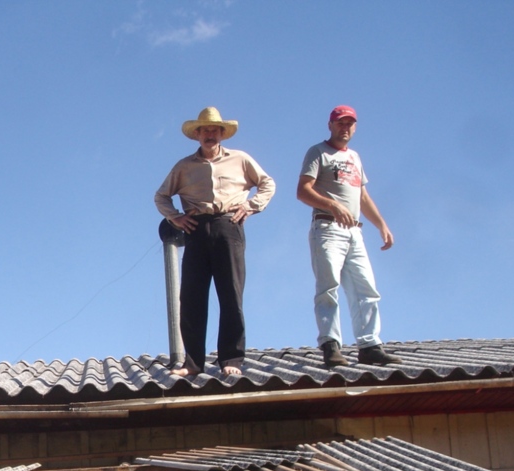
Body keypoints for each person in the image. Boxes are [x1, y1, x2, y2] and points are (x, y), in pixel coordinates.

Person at [154, 106, 275, 377]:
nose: (210, 134)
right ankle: (192, 364)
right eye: (205, 130)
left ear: (222, 133)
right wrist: (176, 218)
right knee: (191, 297)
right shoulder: (184, 166)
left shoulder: (241, 159)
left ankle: (231, 358)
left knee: (231, 294)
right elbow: (161, 196)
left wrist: (252, 206)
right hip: (195, 229)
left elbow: (267, 183)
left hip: (228, 225)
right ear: (197, 134)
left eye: (214, 130)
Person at [297, 105, 401, 367]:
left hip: (355, 231)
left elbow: (362, 196)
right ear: (330, 125)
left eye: (350, 124)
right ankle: (331, 345)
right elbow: (303, 191)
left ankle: (369, 345)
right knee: (328, 287)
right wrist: (332, 205)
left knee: (366, 287)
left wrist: (381, 224)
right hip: (328, 227)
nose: (345, 128)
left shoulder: (354, 157)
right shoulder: (318, 152)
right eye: (340, 123)